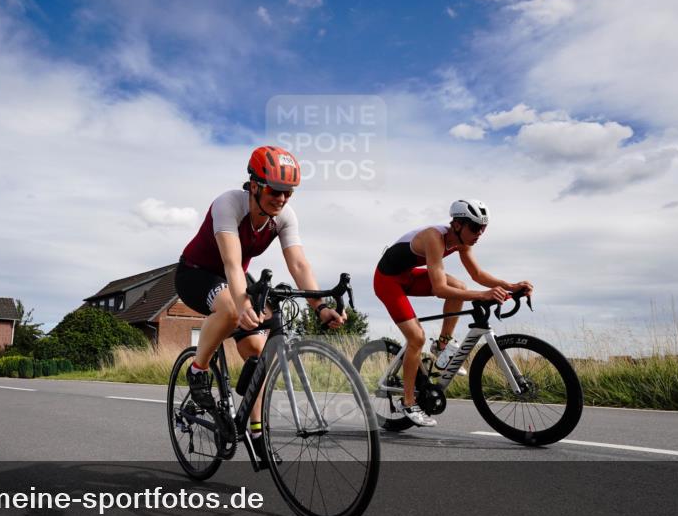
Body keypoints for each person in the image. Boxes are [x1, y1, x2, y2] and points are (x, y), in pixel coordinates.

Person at [175, 145, 346, 457]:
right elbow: (231, 263)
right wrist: (242, 305)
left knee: (258, 351)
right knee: (231, 309)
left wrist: (320, 307)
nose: (282, 198)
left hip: (234, 278)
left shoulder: (283, 217)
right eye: (275, 190)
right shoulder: (228, 204)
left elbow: (299, 265)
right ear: (254, 185)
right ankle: (198, 370)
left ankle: (255, 431)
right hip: (196, 273)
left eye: (288, 193)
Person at [373, 199, 533, 427]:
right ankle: (408, 403)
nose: (479, 234)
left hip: (409, 276)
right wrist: (483, 295)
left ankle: (442, 344)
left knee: (459, 287)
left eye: (483, 228)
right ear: (457, 225)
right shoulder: (434, 237)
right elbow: (439, 289)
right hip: (387, 281)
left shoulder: (462, 241)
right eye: (475, 228)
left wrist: (511, 286)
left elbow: (477, 274)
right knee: (416, 338)